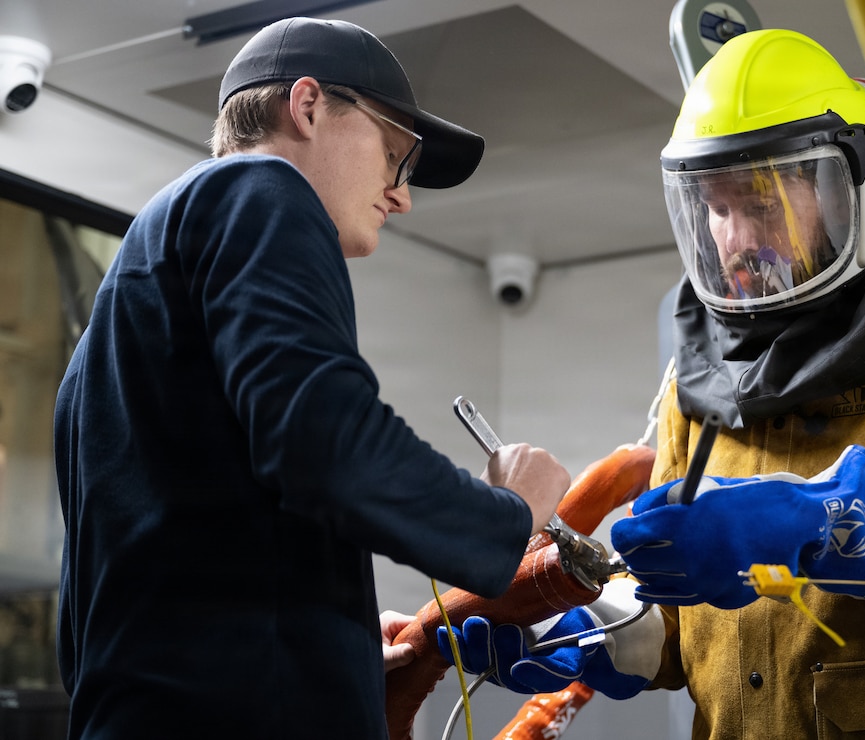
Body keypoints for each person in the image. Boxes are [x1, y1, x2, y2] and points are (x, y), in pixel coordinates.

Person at [436, 29, 865, 738]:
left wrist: (824, 518)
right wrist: (613, 633)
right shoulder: (697, 382)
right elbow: (685, 616)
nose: (735, 240)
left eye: (763, 203)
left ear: (855, 190)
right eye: (718, 209)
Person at [53, 16, 570, 740]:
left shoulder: (121, 317)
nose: (402, 195)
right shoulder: (260, 186)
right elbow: (324, 441)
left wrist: (337, 648)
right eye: (395, 155)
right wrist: (509, 515)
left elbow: (176, 554)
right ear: (306, 106)